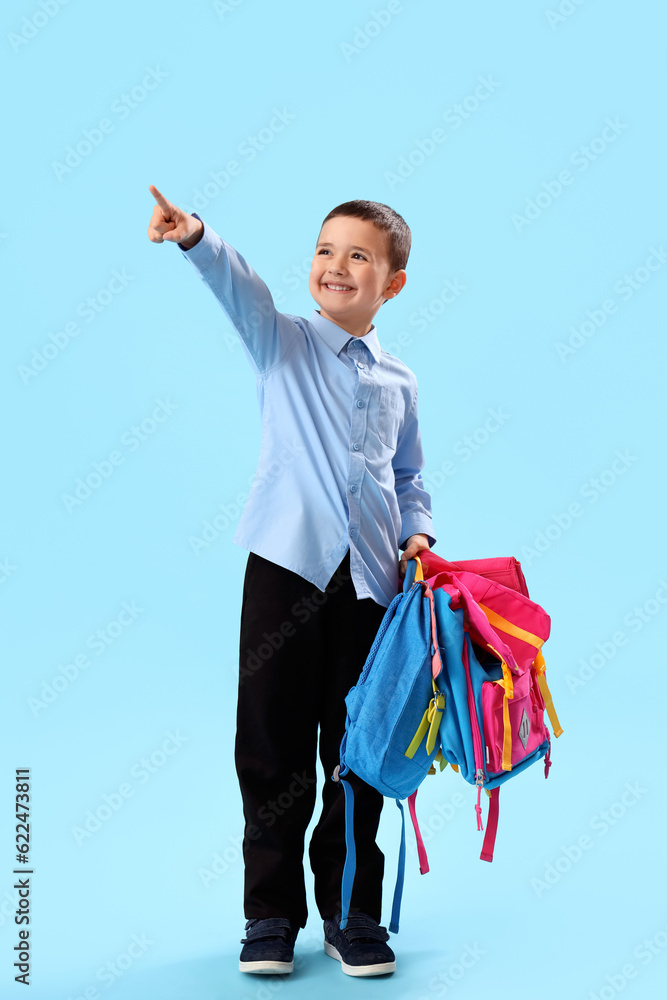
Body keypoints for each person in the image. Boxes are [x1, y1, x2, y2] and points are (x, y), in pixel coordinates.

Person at [147, 185, 436, 978]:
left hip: (373, 586)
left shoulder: (400, 380)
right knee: (271, 746)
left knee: (358, 750)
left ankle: (352, 916)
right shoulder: (282, 343)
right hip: (284, 570)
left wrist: (416, 532)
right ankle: (269, 917)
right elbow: (238, 287)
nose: (335, 266)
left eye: (358, 256)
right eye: (323, 250)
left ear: (392, 283)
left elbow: (408, 475)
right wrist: (196, 238)